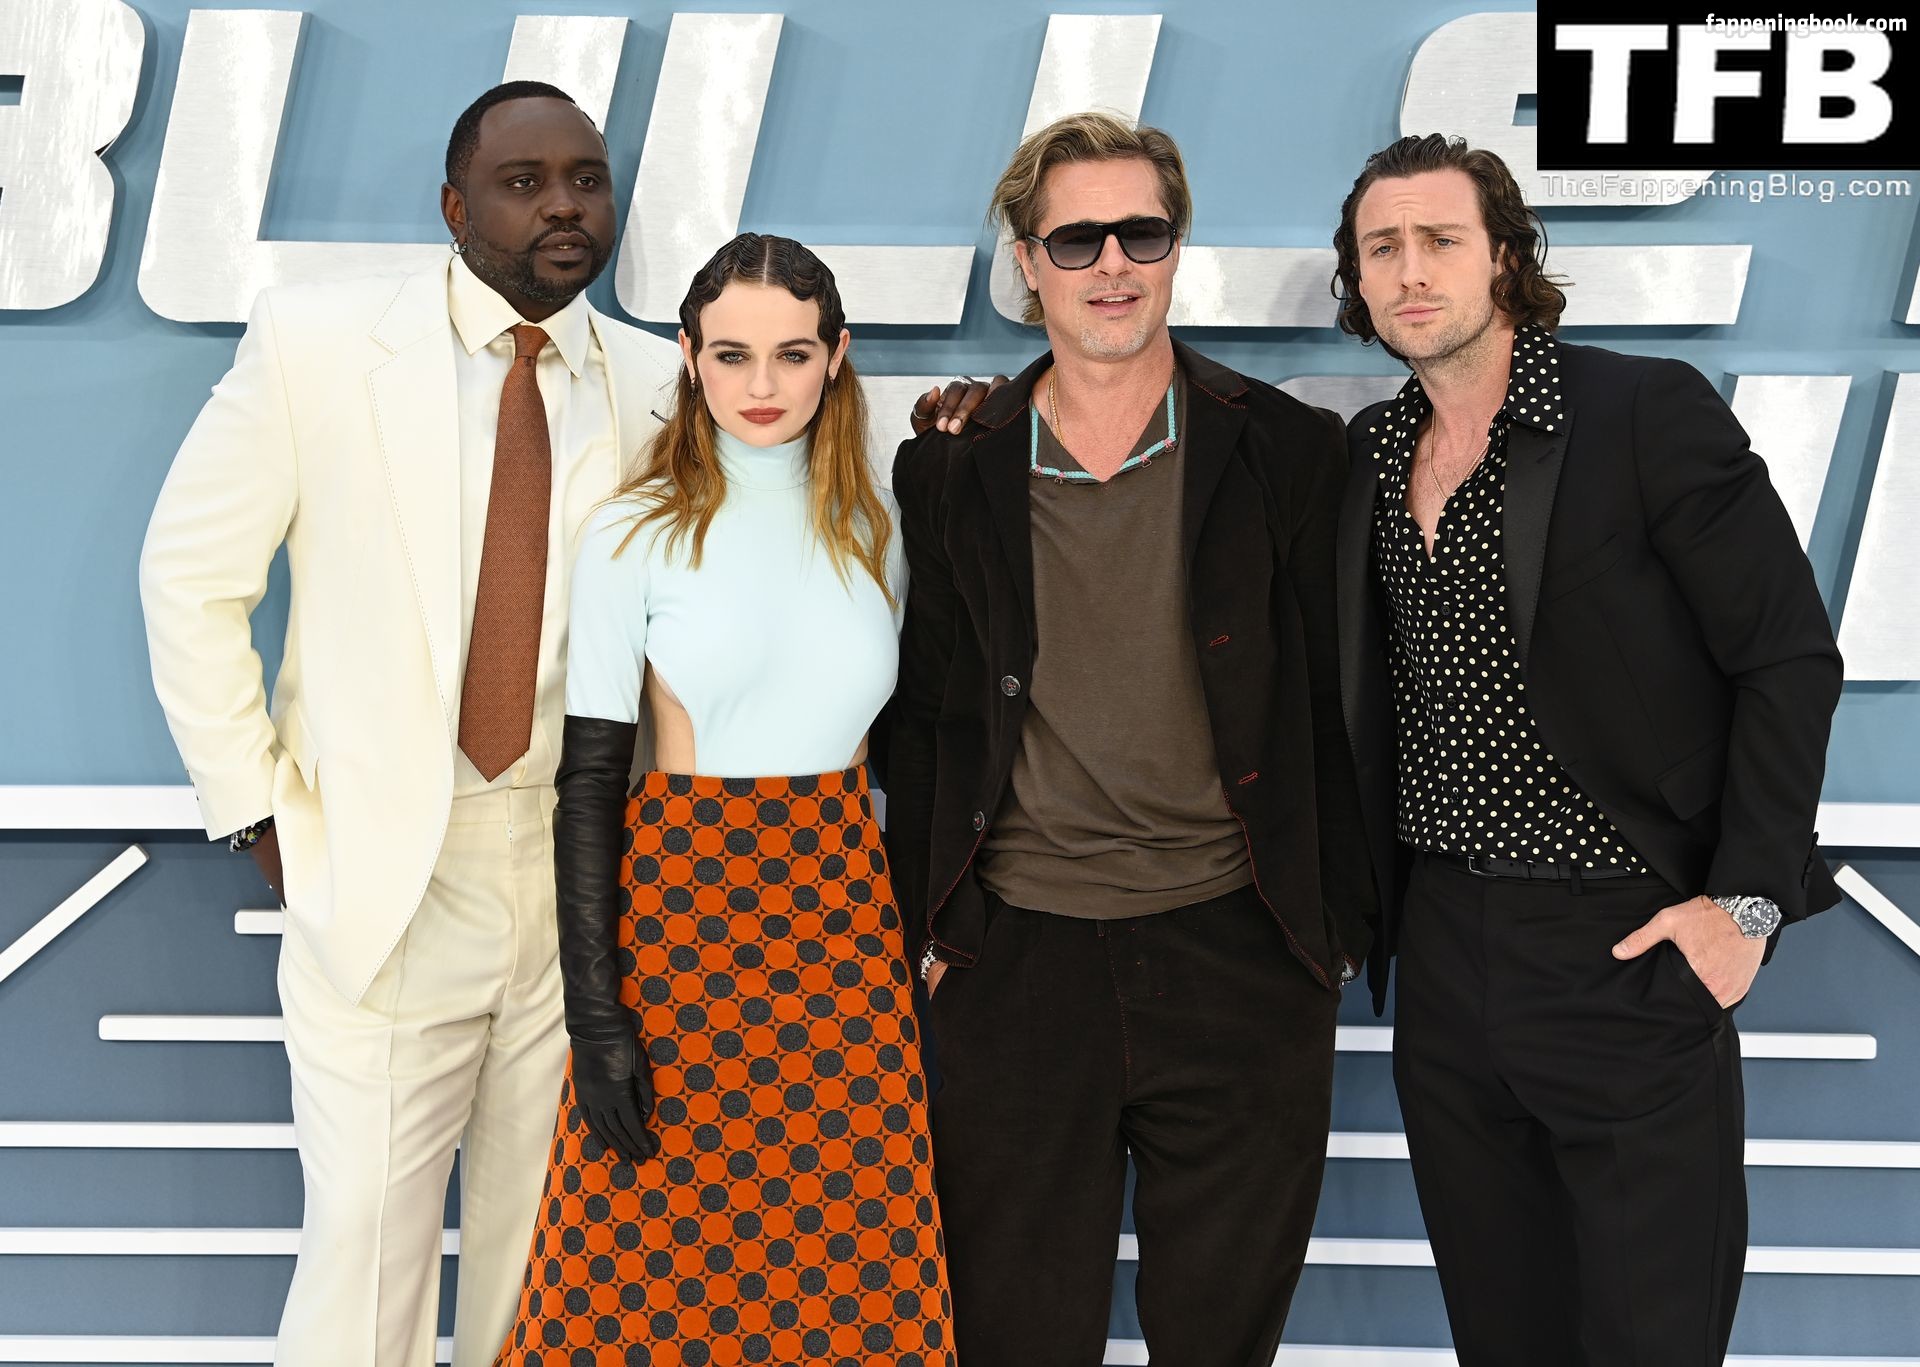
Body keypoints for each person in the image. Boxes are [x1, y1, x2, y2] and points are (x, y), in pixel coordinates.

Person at [139, 80, 981, 1365]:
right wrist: (258, 813)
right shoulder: (316, 342)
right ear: (454, 205)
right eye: (524, 182)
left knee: (546, 1270)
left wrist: (961, 429)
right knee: (363, 1254)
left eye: (586, 179)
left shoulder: (660, 380)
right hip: (388, 868)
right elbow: (189, 579)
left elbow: (795, 532)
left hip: (597, 880)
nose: (563, 206)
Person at [1329, 133, 1844, 1366]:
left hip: (1622, 938)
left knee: (1649, 1337)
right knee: (1503, 1334)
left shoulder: (1641, 412)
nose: (1412, 271)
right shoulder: (1369, 454)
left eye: (1440, 240)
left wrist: (1747, 904)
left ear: (1505, 257)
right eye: (1382, 249)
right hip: (1445, 952)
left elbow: (1786, 655)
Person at [887, 112, 1375, 1366]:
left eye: (1141, 234)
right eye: (1077, 239)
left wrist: (1325, 939)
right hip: (1015, 965)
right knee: (1014, 1338)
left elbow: (1339, 705)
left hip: (1239, 956)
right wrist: (929, 936)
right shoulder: (952, 467)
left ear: (1175, 246)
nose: (1113, 264)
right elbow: (930, 716)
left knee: (1221, 1341)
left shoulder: (1287, 450)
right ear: (1027, 259)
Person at [491, 232, 953, 1367]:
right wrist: (596, 1014)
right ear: (690, 357)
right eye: (732, 354)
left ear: (836, 356)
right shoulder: (632, 532)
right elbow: (589, 784)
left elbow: (919, 749)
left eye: (792, 354)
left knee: (844, 1284)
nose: (762, 384)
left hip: (845, 925)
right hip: (683, 923)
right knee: (644, 1289)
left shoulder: (881, 528)